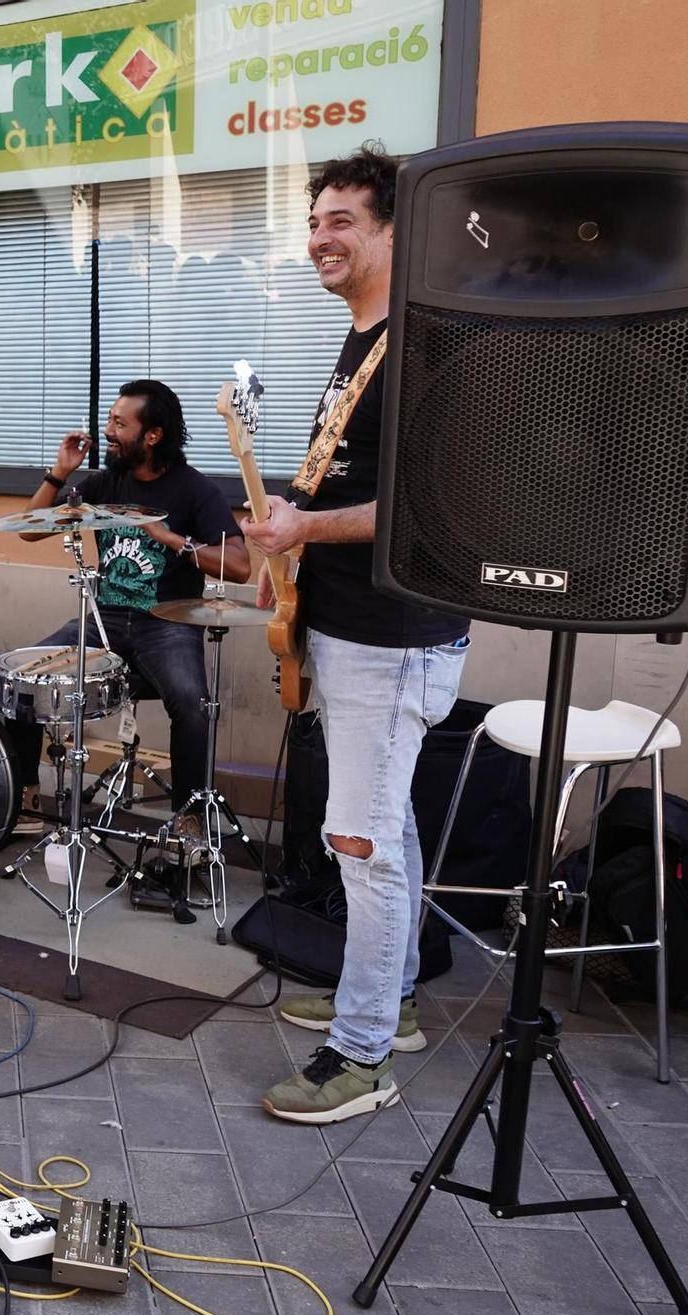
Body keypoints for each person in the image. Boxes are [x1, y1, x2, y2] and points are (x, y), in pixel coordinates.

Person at [242, 145, 471, 1125]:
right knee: (386, 827)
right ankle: (391, 999)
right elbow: (333, 475)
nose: (319, 237)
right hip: (344, 624)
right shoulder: (360, 340)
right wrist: (275, 531)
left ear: (391, 231)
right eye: (314, 220)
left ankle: (362, 1052)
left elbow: (427, 503)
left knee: (361, 842)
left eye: (342, 219)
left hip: (391, 631)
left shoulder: (422, 346)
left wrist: (306, 527)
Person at [17, 381, 249, 860]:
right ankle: (24, 797)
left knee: (191, 700)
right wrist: (59, 473)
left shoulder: (194, 489)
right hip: (104, 620)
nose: (108, 432)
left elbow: (240, 564)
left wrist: (169, 538)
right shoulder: (104, 482)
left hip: (166, 621)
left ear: (154, 435)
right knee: (26, 676)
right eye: (109, 421)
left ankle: (189, 816)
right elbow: (29, 532)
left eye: (120, 424)